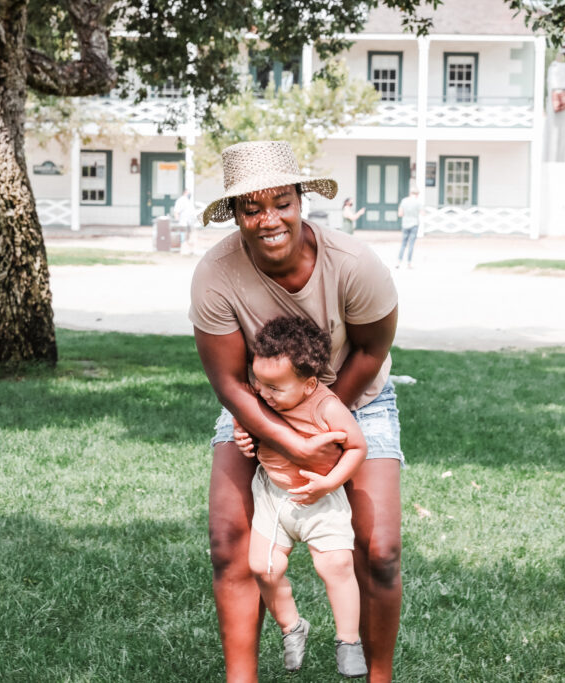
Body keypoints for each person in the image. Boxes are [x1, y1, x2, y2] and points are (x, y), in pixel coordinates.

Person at [190, 140, 402, 683]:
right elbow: (227, 382)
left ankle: (377, 677)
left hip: (357, 401)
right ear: (236, 213)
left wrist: (322, 425)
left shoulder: (355, 264)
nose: (269, 219)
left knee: (379, 549)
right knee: (227, 542)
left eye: (280, 202)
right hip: (256, 403)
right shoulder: (215, 275)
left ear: (301, 200)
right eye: (251, 208)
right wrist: (280, 432)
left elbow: (372, 351)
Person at [243, 316, 368, 678]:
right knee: (264, 568)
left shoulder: (325, 406)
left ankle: (348, 641)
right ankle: (292, 627)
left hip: (319, 500)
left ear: (309, 383)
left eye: (275, 387)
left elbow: (357, 447)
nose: (264, 393)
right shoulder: (261, 396)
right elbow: (246, 421)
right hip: (272, 494)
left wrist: (330, 484)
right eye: (258, 381)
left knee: (336, 565)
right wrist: (242, 436)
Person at [396, 185, 424, 268]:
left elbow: (400, 214)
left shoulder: (404, 201)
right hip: (414, 224)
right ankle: (409, 263)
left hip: (405, 224)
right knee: (411, 244)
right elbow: (423, 213)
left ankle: (398, 262)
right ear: (417, 194)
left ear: (410, 193)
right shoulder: (418, 202)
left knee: (403, 244)